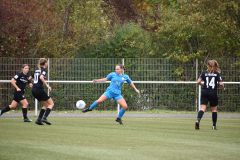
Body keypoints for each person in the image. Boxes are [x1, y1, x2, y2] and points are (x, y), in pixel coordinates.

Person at [195, 59, 224, 130]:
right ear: (214, 66)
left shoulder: (204, 73)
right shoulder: (217, 74)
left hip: (204, 92)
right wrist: (222, 87)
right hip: (213, 93)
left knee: (202, 108)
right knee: (214, 110)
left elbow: (198, 82)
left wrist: (202, 84)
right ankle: (214, 126)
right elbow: (221, 84)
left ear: (208, 65)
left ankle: (198, 120)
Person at [32, 58, 54, 125]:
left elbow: (34, 78)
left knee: (45, 105)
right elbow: (41, 77)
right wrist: (47, 86)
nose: (47, 64)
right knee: (51, 104)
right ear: (45, 63)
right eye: (47, 62)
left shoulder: (37, 70)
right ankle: (44, 118)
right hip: (39, 89)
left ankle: (39, 120)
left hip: (34, 90)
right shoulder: (43, 69)